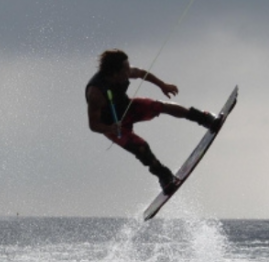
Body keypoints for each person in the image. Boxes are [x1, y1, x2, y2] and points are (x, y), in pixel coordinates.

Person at [86, 49, 222, 194]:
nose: (129, 71)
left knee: (158, 106)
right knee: (141, 147)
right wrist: (110, 128)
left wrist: (162, 85)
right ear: (114, 73)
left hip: (127, 108)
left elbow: (142, 73)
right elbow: (93, 125)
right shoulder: (96, 93)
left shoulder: (124, 72)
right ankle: (164, 177)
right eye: (126, 69)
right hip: (112, 126)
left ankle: (204, 118)